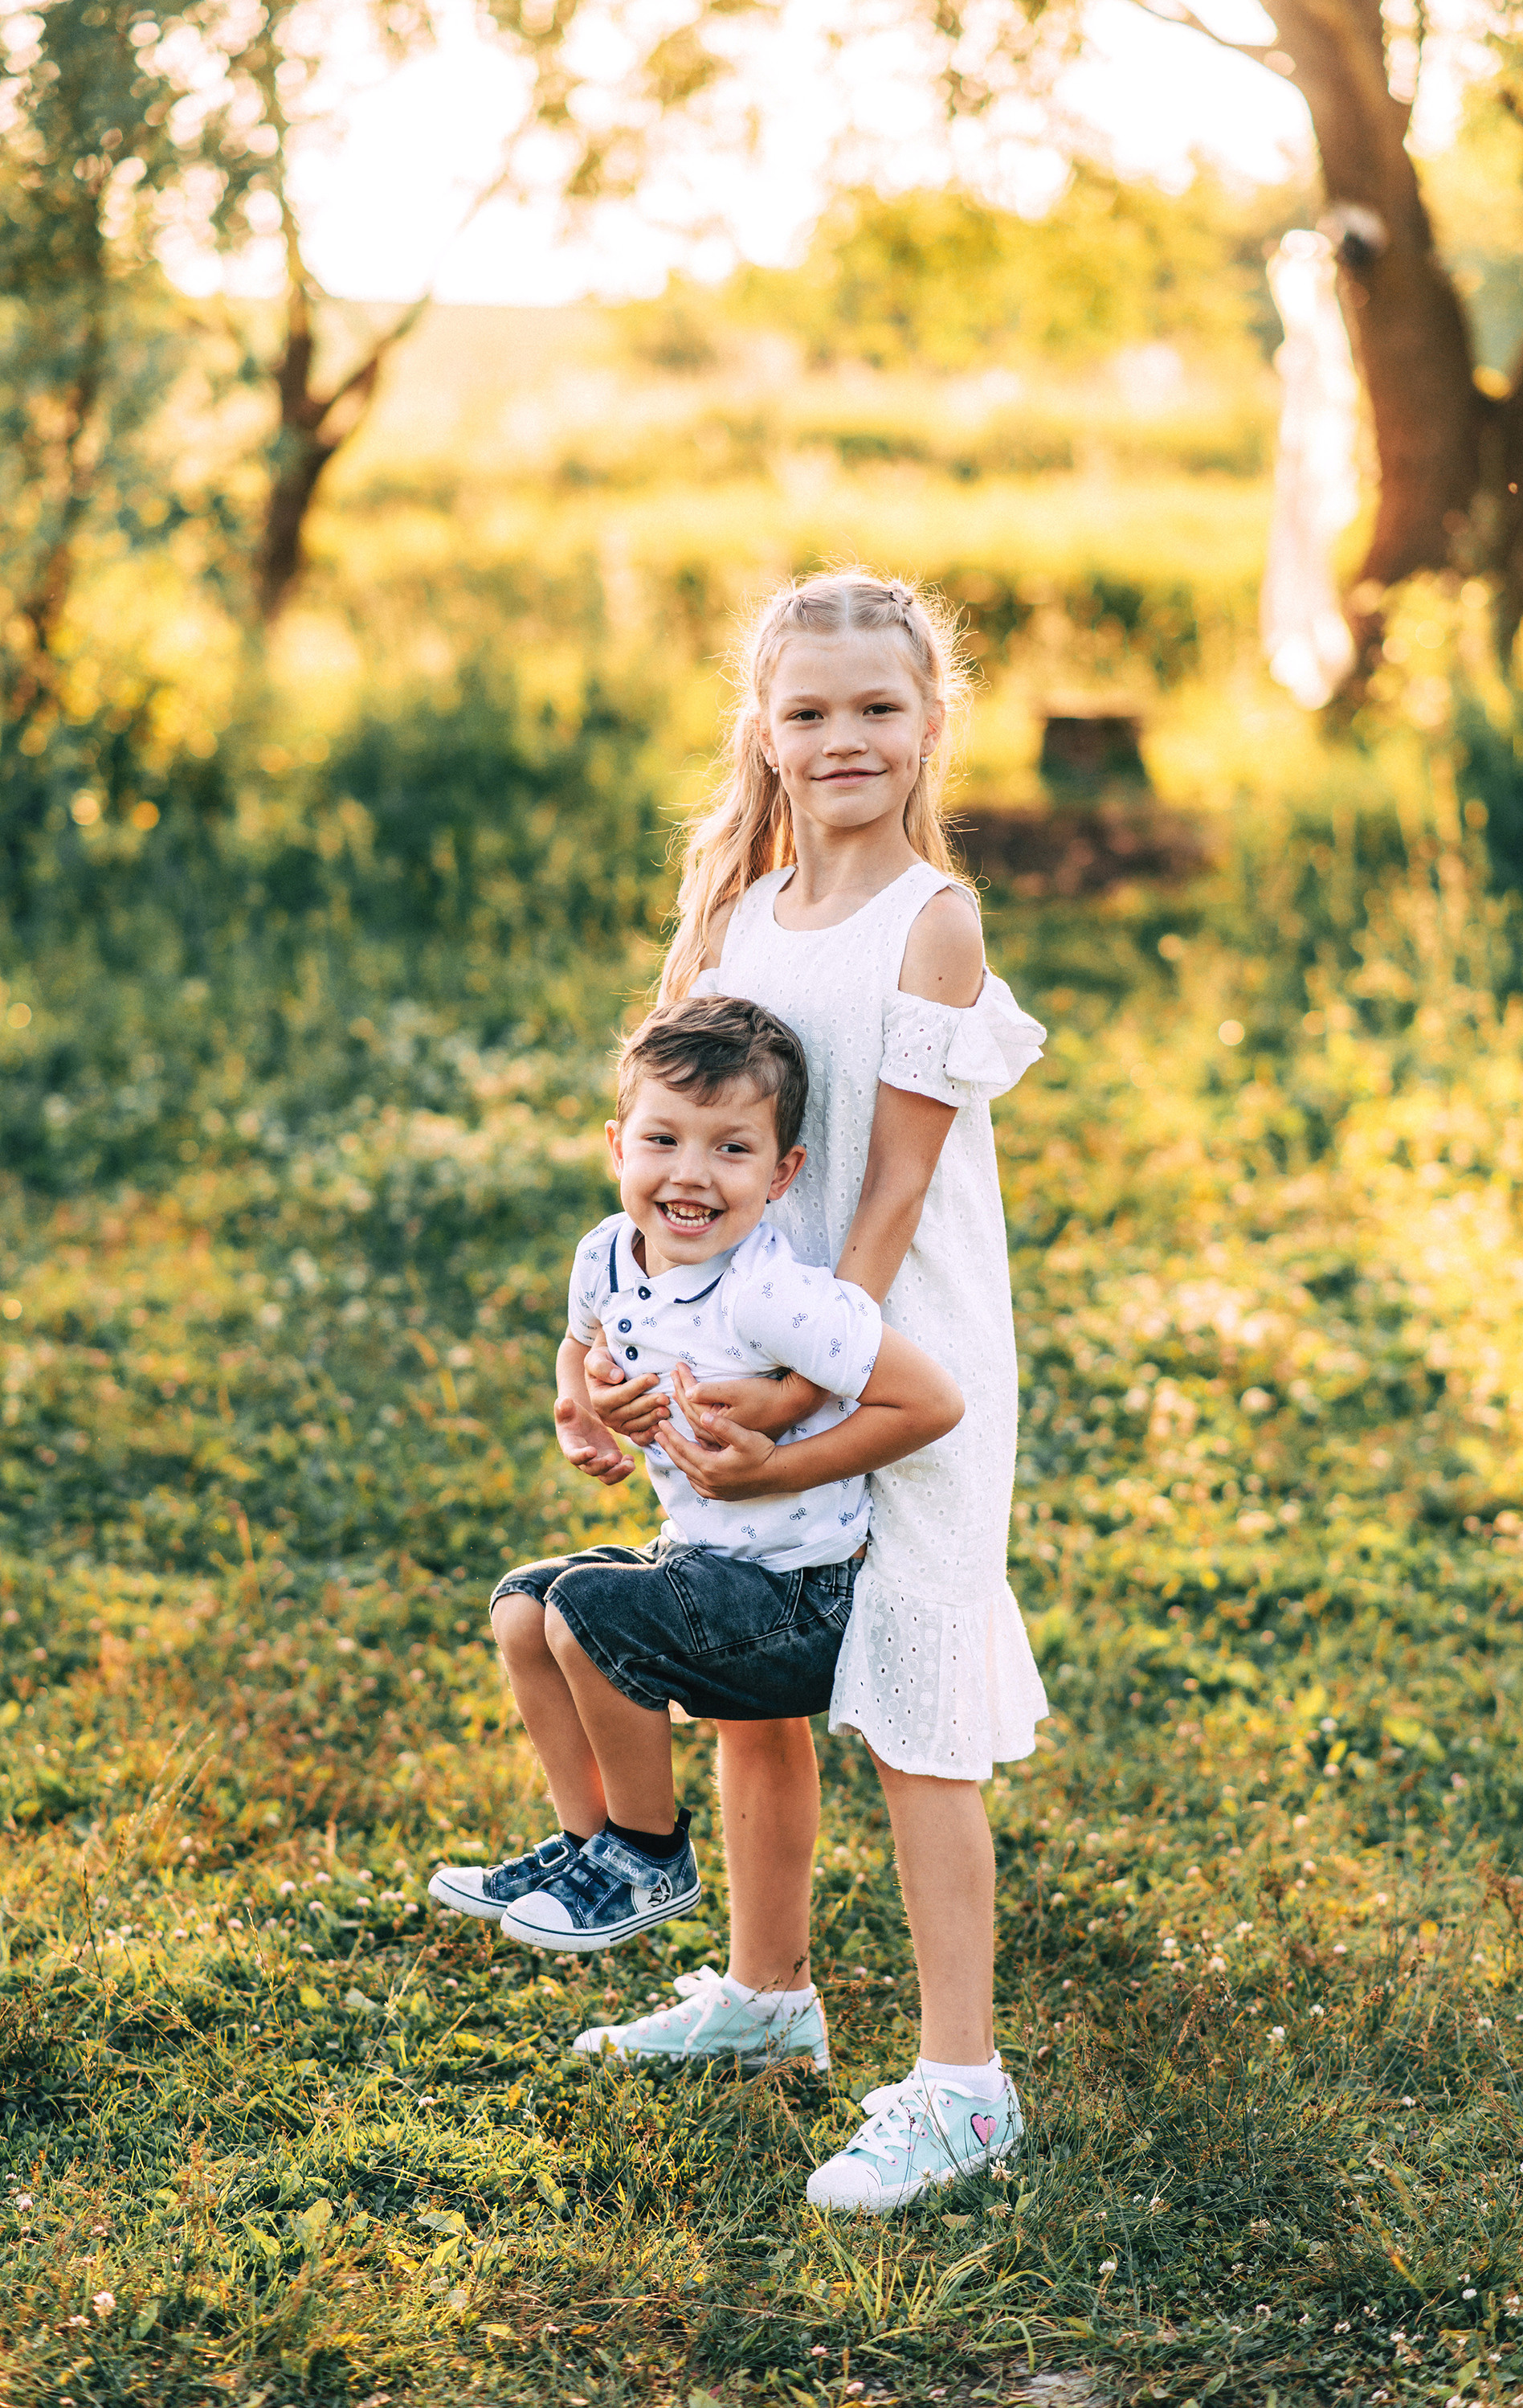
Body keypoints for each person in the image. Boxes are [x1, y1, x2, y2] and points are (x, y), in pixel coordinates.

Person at [583, 568, 1049, 2212]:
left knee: (916, 1695)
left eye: (876, 707)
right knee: (748, 1662)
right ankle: (767, 1995)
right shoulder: (734, 910)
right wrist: (630, 1350)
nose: (843, 736)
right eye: (808, 711)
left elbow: (894, 1197)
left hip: (896, 1348)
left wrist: (792, 1390)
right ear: (763, 732)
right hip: (736, 1351)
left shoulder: (930, 919)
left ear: (930, 722)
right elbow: (670, 1159)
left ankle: (960, 2080)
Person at [430, 995, 963, 2014]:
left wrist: (776, 1470)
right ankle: (585, 1847)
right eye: (663, 1139)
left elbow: (927, 1402)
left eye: (731, 1150)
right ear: (616, 1145)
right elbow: (581, 1348)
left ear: (781, 1174)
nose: (690, 1174)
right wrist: (578, 1412)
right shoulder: (605, 1254)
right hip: (700, 1566)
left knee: (584, 1610)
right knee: (521, 1607)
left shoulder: (772, 1295)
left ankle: (646, 1858)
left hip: (797, 1601)